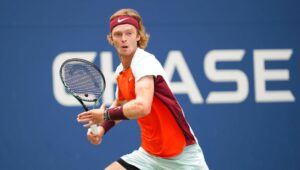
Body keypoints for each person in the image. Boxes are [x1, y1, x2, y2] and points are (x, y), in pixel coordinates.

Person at [77, 8, 209, 170]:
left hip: (182, 156)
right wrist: (102, 129)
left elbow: (142, 106)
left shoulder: (145, 62)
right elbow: (121, 104)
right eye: (118, 35)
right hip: (148, 156)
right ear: (111, 39)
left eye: (129, 33)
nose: (124, 39)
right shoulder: (121, 71)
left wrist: (103, 114)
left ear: (138, 36)